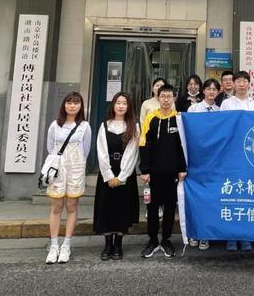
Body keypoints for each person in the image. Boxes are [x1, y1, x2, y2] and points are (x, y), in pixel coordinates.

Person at [139, 84, 187, 259]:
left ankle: (166, 240)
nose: (166, 99)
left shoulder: (179, 119)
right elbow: (144, 144)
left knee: (169, 207)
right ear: (158, 98)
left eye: (169, 96)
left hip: (172, 173)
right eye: (163, 96)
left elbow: (182, 146)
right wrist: (144, 170)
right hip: (154, 172)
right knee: (152, 207)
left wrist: (182, 168)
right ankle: (152, 240)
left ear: (174, 98)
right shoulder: (151, 118)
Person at [45, 92, 92, 264]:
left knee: (72, 206)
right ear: (64, 105)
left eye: (76, 103)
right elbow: (50, 147)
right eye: (69, 102)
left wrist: (77, 163)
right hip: (58, 168)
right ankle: (54, 245)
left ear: (81, 106)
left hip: (76, 167)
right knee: (56, 206)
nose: (72, 106)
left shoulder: (85, 126)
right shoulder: (54, 125)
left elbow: (86, 149)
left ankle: (66, 244)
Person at [93, 92, 140, 261]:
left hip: (125, 173)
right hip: (107, 172)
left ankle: (118, 243)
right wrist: (109, 175)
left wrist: (121, 176)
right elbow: (101, 151)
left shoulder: (134, 125)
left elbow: (132, 152)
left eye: (124, 103)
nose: (121, 106)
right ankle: (107, 244)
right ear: (113, 105)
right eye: (118, 103)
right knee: (106, 206)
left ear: (129, 106)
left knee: (122, 207)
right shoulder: (105, 125)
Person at [220, 70, 254, 251]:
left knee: (248, 194)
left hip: (250, 155)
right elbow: (222, 126)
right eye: (239, 81)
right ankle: (231, 236)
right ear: (233, 84)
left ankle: (245, 235)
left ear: (249, 84)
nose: (242, 84)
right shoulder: (227, 103)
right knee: (232, 193)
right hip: (232, 153)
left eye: (245, 81)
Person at [187, 78, 221, 251]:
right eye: (208, 89)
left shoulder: (221, 111)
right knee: (196, 197)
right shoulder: (193, 109)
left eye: (214, 89)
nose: (211, 92)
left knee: (210, 198)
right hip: (196, 159)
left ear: (218, 92)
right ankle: (195, 232)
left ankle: (206, 234)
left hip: (214, 160)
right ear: (203, 90)